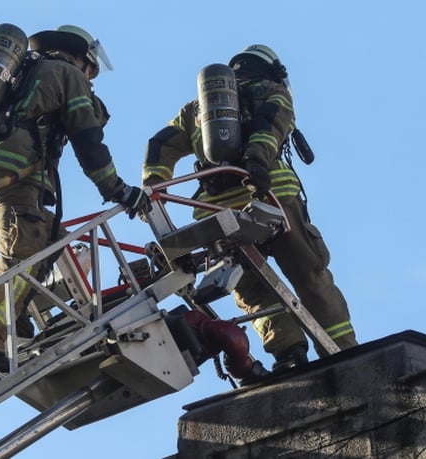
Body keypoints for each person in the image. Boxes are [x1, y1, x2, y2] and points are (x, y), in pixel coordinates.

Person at [141, 44, 357, 371]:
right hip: (272, 197)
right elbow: (270, 126)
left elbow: (160, 145)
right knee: (310, 277)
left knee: (253, 289)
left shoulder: (196, 109)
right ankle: (343, 351)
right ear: (273, 71)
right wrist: (256, 163)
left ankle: (289, 353)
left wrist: (152, 188)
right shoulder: (272, 92)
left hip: (214, 211)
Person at [0, 25, 149, 368]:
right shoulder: (66, 73)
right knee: (23, 256)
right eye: (91, 69)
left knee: (49, 236)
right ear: (80, 57)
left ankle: (13, 315)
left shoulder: (25, 72)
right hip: (15, 172)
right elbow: (88, 142)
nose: (91, 78)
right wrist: (118, 191)